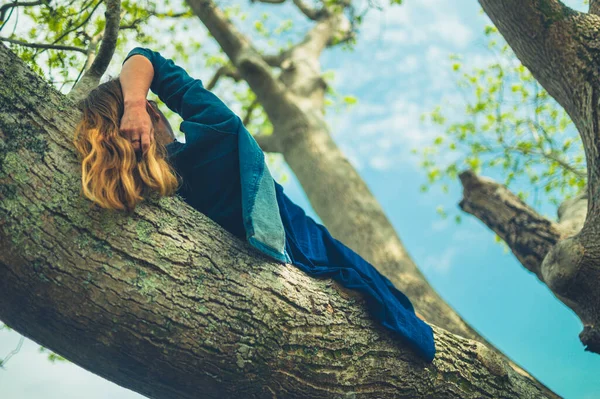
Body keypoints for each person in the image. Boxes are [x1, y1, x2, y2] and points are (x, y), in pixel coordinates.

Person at [74, 47, 436, 362]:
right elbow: (148, 58)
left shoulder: (141, 193)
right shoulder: (215, 139)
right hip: (316, 257)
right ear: (152, 114)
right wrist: (136, 101)